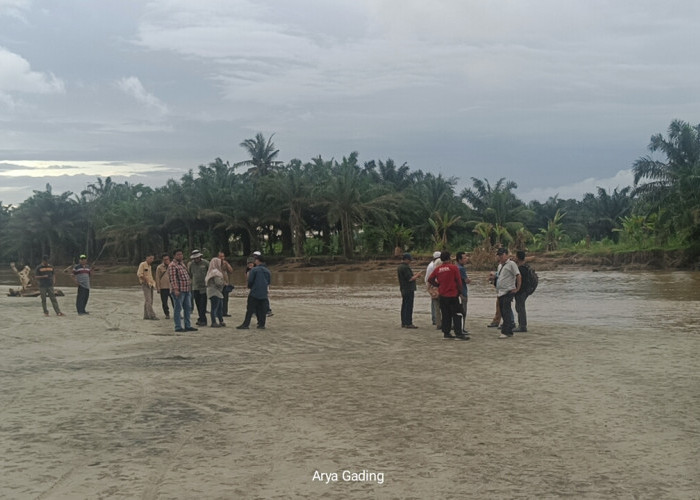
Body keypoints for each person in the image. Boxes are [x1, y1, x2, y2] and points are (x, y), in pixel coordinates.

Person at [428, 251, 468, 340]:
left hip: (442, 295)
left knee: (446, 315)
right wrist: (460, 292)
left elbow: (430, 279)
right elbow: (458, 281)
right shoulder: (454, 268)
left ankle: (446, 333)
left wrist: (438, 285)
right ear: (449, 258)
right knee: (457, 314)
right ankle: (458, 333)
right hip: (453, 295)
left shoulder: (438, 269)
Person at [237, 253, 271, 330]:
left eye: (255, 260)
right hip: (264, 293)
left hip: (255, 292)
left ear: (258, 261)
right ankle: (261, 324)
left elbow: (250, 281)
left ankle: (246, 324)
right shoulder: (267, 271)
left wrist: (250, 287)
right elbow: (268, 282)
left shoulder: (254, 270)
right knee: (262, 310)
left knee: (250, 309)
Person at [168, 249, 198, 332]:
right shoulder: (172, 265)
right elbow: (173, 279)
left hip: (187, 289)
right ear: (174, 256)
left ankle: (187, 325)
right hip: (179, 291)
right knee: (178, 309)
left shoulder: (182, 264)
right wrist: (176, 290)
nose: (180, 256)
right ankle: (178, 327)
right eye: (178, 254)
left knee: (188, 308)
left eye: (181, 254)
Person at [495, 247, 521, 338]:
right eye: (499, 255)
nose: (500, 256)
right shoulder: (499, 266)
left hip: (508, 291)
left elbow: (518, 275)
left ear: (507, 255)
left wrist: (517, 288)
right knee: (503, 311)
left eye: (502, 255)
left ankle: (505, 332)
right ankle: (509, 331)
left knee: (506, 311)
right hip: (500, 292)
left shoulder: (511, 264)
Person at [397, 253, 421, 329]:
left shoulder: (400, 267)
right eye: (409, 260)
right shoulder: (405, 267)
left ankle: (404, 322)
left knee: (404, 305)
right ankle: (408, 323)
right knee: (409, 306)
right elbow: (410, 279)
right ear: (406, 259)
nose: (410, 261)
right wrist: (417, 276)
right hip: (408, 289)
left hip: (403, 288)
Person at [188, 249, 209, 326]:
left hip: (204, 287)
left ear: (200, 256)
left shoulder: (206, 263)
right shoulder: (191, 265)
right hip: (195, 287)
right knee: (198, 304)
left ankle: (203, 320)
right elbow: (190, 274)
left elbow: (210, 272)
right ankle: (201, 318)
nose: (196, 259)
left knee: (203, 304)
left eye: (197, 257)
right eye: (194, 258)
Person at [205, 257, 226, 327]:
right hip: (215, 292)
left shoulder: (210, 272)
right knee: (215, 308)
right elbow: (218, 283)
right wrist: (223, 283)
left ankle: (220, 321)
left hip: (213, 292)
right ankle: (214, 322)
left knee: (218, 307)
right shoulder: (215, 272)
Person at [137, 254, 158, 320]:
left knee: (149, 300)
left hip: (150, 284)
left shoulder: (149, 266)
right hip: (145, 284)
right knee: (148, 300)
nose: (152, 260)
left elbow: (150, 276)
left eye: (152, 258)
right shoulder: (142, 264)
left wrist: (153, 283)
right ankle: (152, 315)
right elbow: (139, 274)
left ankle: (146, 315)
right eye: (150, 258)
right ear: (147, 258)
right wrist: (145, 280)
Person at [425, 251, 442, 328]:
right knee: (435, 304)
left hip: (432, 286)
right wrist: (430, 289)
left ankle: (436, 320)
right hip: (433, 286)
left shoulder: (433, 264)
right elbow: (430, 278)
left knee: (435, 303)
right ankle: (435, 320)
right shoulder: (434, 266)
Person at [455, 251, 472, 333]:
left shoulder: (455, 267)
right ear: (459, 260)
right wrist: (469, 280)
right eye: (464, 258)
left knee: (457, 311)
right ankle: (462, 328)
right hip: (462, 292)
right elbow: (466, 280)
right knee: (463, 311)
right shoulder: (461, 269)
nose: (466, 259)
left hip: (456, 292)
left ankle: (457, 327)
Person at [514, 250, 529, 332]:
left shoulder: (521, 268)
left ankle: (522, 326)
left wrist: (517, 289)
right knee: (520, 307)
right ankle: (522, 325)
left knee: (520, 307)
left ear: (517, 258)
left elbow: (519, 280)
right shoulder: (526, 266)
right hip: (525, 290)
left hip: (521, 291)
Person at [155, 253, 173, 319]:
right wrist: (158, 288)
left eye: (167, 259)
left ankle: (178, 313)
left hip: (172, 287)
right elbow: (157, 278)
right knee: (164, 302)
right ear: (162, 260)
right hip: (163, 287)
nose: (166, 261)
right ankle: (167, 314)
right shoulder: (159, 267)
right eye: (164, 259)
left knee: (175, 301)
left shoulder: (172, 266)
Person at [218, 251, 234, 317]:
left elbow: (231, 271)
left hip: (226, 283)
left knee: (225, 298)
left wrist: (227, 264)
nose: (222, 258)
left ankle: (225, 312)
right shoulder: (215, 264)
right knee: (219, 298)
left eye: (223, 256)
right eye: (220, 256)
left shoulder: (225, 263)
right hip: (218, 284)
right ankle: (218, 312)